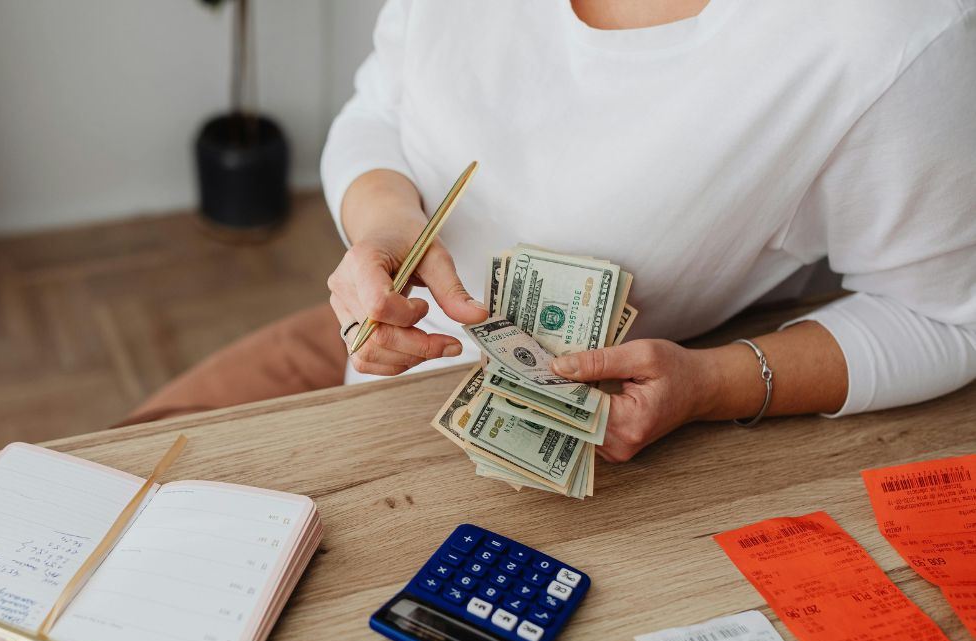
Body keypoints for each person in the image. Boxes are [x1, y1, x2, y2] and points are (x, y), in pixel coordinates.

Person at [123, 0, 976, 463]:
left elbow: (946, 317)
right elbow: (382, 103)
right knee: (112, 467)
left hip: (560, 439)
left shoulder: (885, 40)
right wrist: (384, 229)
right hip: (375, 343)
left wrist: (712, 385)